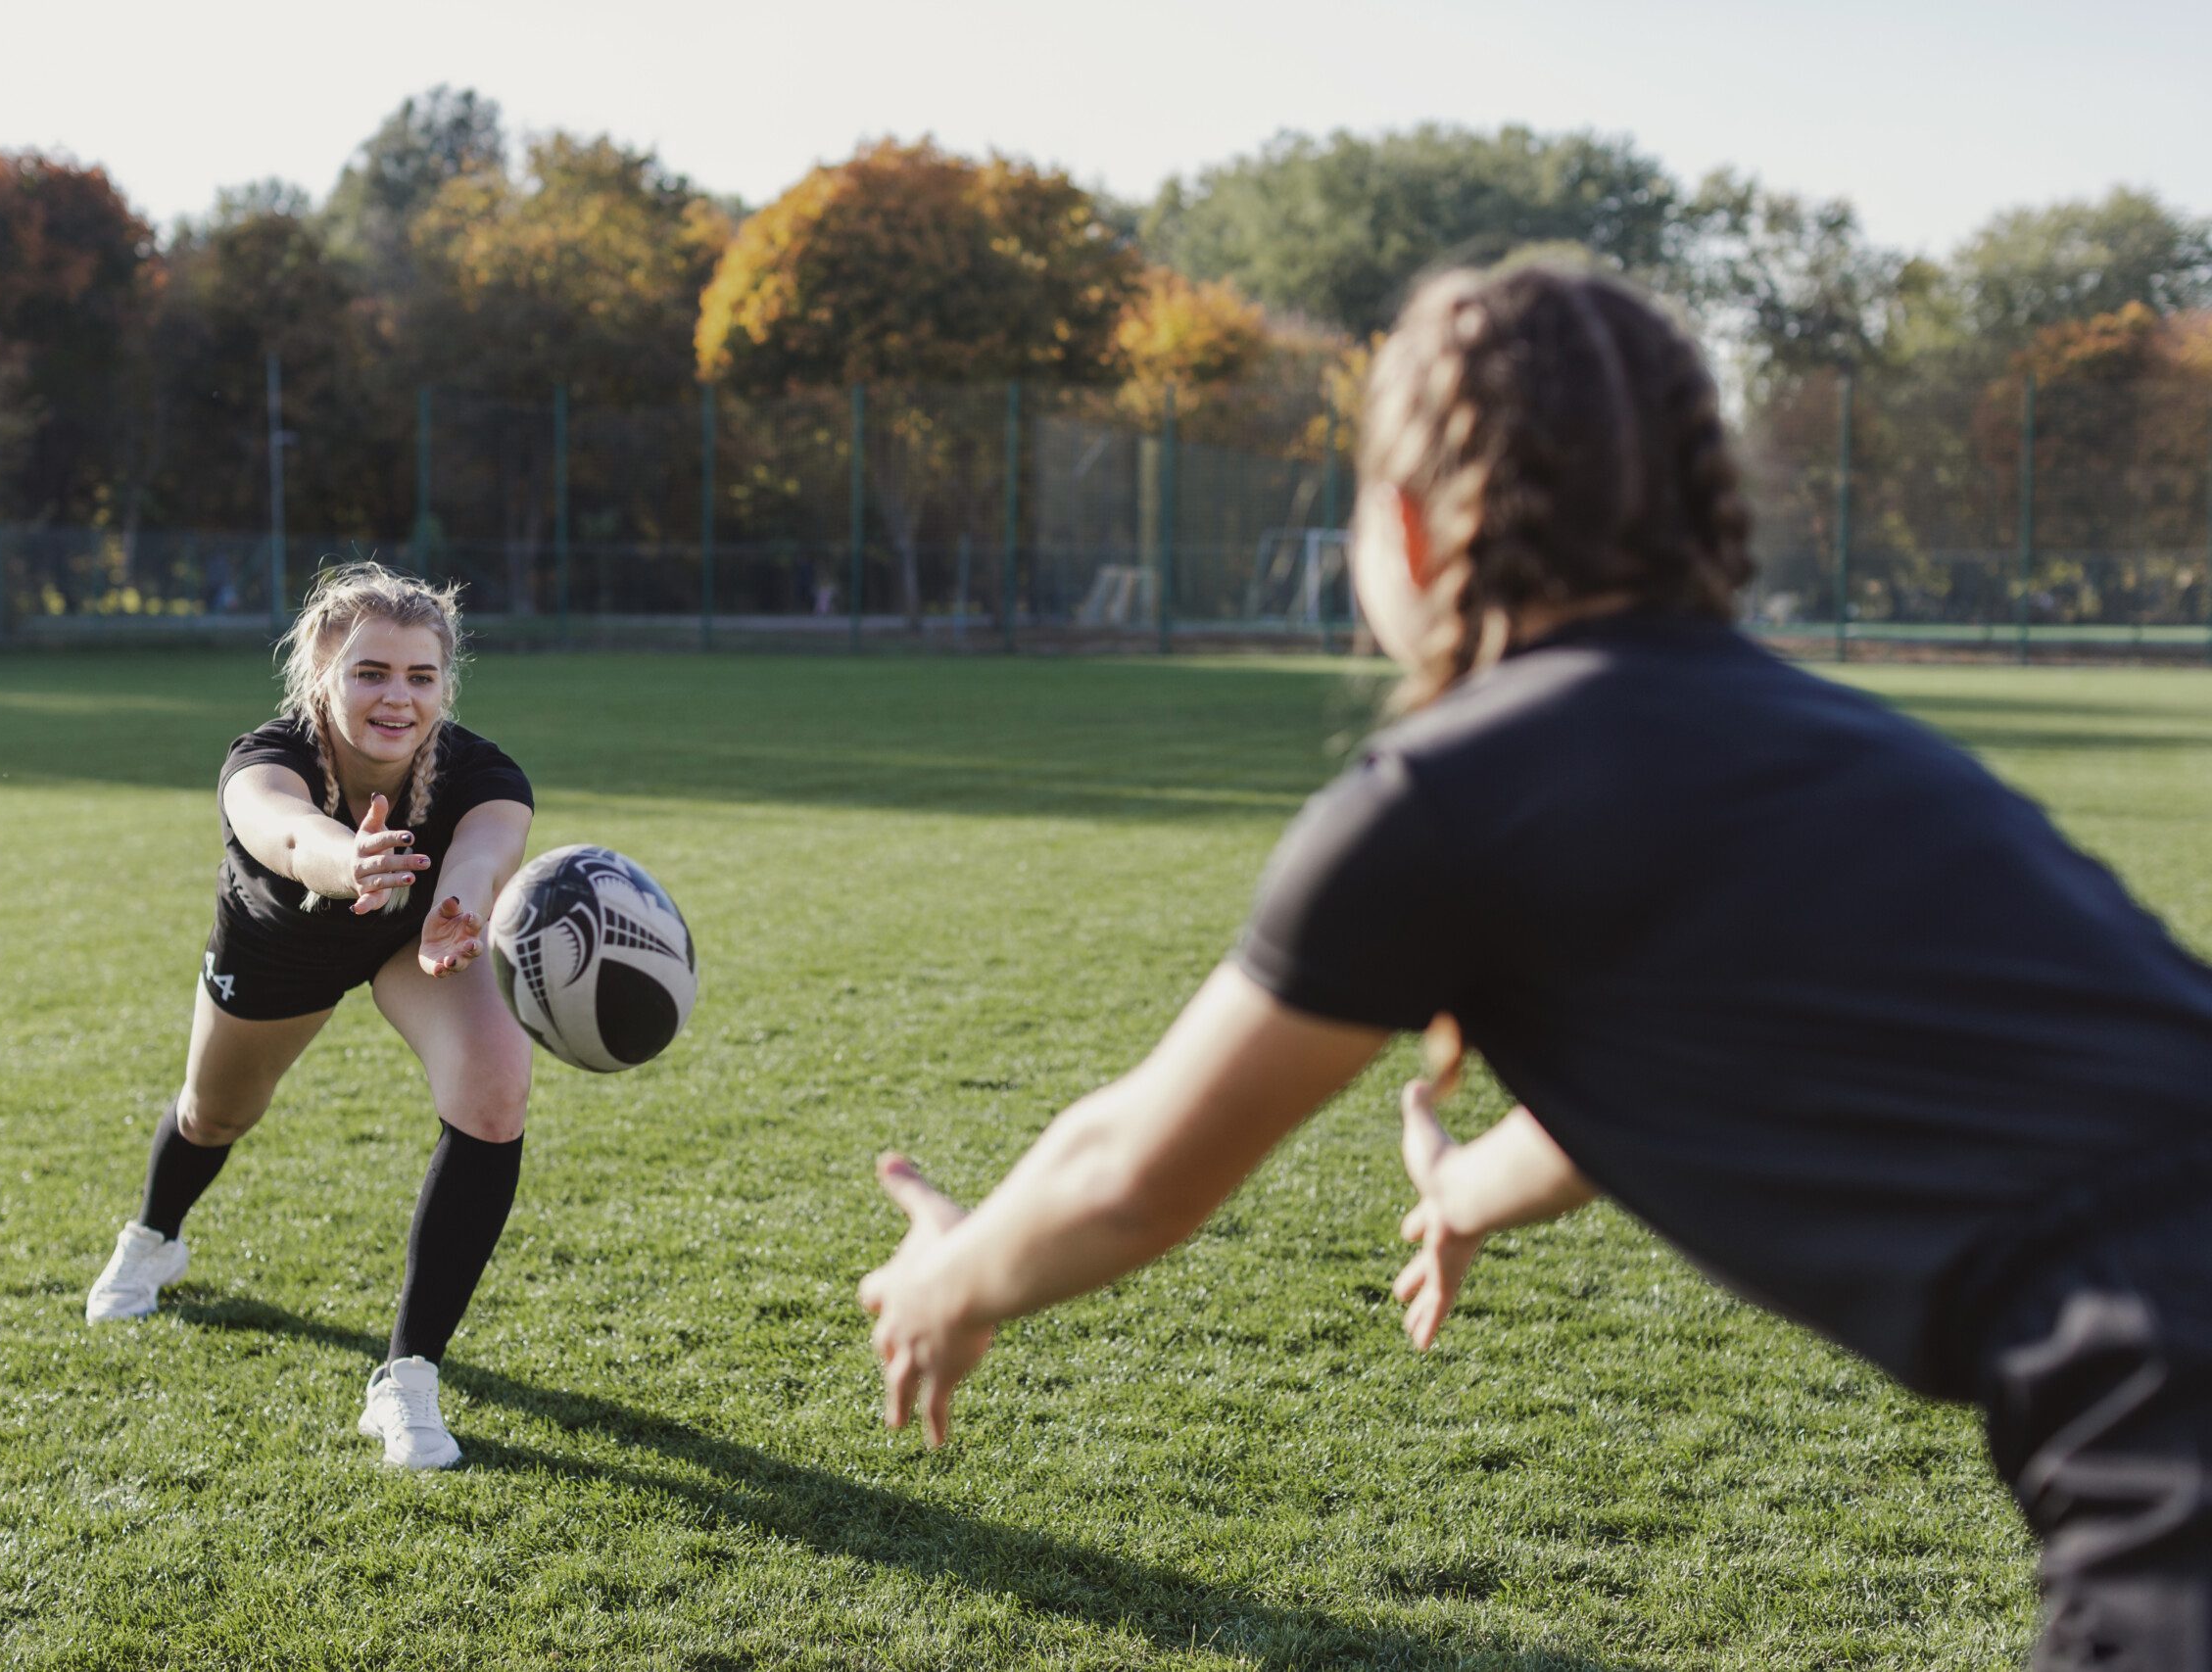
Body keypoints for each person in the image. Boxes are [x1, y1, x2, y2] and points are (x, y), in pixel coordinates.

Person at [858, 264, 2212, 1669]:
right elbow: (1646, 1091)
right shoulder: (1841, 740)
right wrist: (1463, 1191)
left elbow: (1128, 1173)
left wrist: (952, 1282)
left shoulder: (1442, 796)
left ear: (1407, 526)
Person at [86, 560, 535, 1471]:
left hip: (417, 940)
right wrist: (351, 861)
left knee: (496, 1089)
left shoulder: (486, 772)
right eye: (371, 672)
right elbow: (288, 834)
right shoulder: (265, 759)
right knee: (214, 1113)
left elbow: (486, 851)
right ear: (322, 674)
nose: (398, 697)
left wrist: (457, 905)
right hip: (279, 947)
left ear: (446, 684)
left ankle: (407, 1377)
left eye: (420, 675)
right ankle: (154, 1238)